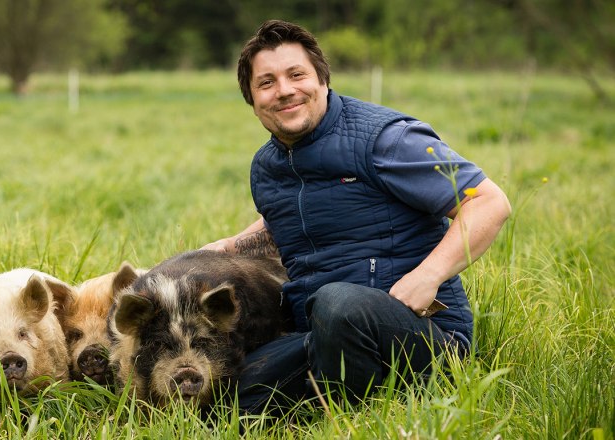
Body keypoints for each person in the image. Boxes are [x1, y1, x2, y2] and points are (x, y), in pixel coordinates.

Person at [201, 20, 511, 413]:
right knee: (222, 391)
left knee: (337, 303)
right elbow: (287, 221)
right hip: (319, 334)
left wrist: (428, 276)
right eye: (267, 82)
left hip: (420, 333)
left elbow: (488, 202)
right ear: (252, 99)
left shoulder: (385, 139)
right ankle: (334, 396)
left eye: (297, 75)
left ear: (322, 79)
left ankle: (355, 413)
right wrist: (223, 250)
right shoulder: (267, 168)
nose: (284, 90)